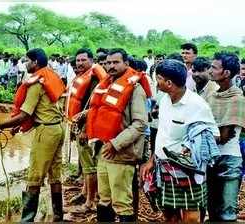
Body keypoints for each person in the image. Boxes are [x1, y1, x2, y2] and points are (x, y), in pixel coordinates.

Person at [0, 48, 65, 222]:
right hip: (58, 128)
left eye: (27, 61)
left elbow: (25, 114)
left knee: (34, 176)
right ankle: (58, 216)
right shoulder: (51, 76)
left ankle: (26, 220)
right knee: (55, 173)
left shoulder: (37, 83)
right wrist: (18, 128)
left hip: (46, 132)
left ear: (35, 62)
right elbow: (43, 109)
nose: (25, 64)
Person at [141, 59, 219, 222]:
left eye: (159, 78)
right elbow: (163, 135)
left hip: (188, 169)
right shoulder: (165, 100)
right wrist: (152, 159)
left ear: (169, 83)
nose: (156, 82)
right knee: (169, 214)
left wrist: (191, 147)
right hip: (164, 166)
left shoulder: (197, 105)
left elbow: (214, 135)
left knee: (191, 216)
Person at [86, 48, 150, 222]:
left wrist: (116, 143)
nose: (111, 66)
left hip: (121, 154)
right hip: (102, 152)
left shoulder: (135, 89)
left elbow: (140, 124)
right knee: (104, 199)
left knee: (122, 203)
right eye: (108, 63)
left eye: (116, 62)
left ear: (126, 64)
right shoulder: (106, 85)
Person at [65, 48, 108, 214]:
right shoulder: (81, 77)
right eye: (78, 61)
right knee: (84, 163)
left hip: (88, 129)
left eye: (83, 60)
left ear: (91, 61)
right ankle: (84, 193)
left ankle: (90, 202)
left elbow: (95, 108)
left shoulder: (94, 81)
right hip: (79, 126)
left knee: (89, 167)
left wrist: (84, 130)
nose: (80, 63)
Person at [207, 52, 245, 222]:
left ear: (226, 73)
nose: (210, 71)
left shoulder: (237, 99)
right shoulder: (213, 95)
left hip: (229, 159)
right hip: (211, 157)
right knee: (212, 208)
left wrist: (200, 138)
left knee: (227, 212)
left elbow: (224, 136)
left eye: (214, 67)